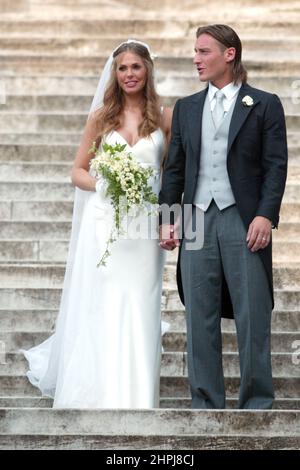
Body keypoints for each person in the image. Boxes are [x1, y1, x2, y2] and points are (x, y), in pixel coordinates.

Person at [22, 40, 172, 409]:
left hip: (144, 227)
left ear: (148, 70)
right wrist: (106, 184)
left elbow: (172, 173)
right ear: (114, 73)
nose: (129, 74)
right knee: (105, 303)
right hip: (106, 224)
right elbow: (77, 171)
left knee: (141, 303)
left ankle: (138, 398)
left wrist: (168, 215)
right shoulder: (101, 117)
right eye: (123, 68)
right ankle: (100, 392)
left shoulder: (165, 118)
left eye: (136, 67)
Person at [159, 24, 287, 409]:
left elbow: (275, 166)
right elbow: (175, 168)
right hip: (197, 216)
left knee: (252, 312)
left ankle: (257, 403)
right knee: (199, 315)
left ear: (229, 54)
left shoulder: (264, 103)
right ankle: (205, 402)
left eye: (203, 51)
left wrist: (265, 215)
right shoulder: (186, 107)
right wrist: (167, 217)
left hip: (243, 217)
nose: (196, 59)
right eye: (195, 52)